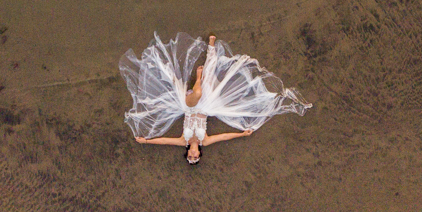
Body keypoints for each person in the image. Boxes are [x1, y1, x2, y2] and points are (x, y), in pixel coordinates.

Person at [119, 32, 312, 165]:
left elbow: (164, 140)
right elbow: (225, 136)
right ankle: (210, 49)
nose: (194, 155)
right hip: (205, 106)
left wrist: (146, 141)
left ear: (188, 152)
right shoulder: (206, 141)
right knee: (210, 78)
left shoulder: (182, 141)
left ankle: (198, 78)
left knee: (196, 92)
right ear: (199, 153)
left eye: (191, 157)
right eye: (196, 157)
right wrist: (242, 134)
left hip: (187, 106)